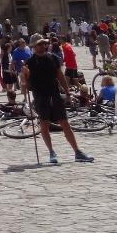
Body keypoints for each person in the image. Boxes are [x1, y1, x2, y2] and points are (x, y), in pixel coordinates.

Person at [19, 38, 95, 166]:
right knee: (44, 124)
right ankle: (51, 152)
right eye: (40, 44)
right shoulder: (29, 63)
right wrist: (24, 76)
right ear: (34, 46)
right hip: (40, 96)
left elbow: (60, 76)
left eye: (45, 43)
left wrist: (67, 92)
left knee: (65, 123)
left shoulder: (53, 58)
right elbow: (26, 87)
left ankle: (77, 152)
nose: (44, 46)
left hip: (55, 94)